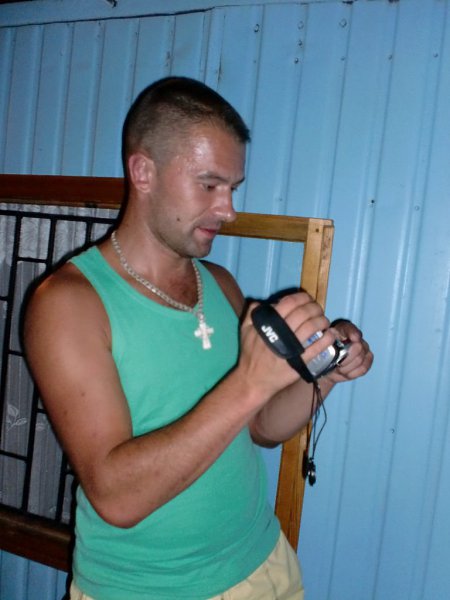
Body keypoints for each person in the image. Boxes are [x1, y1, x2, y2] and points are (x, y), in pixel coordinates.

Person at [24, 77, 373, 600]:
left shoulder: (220, 285)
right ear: (143, 172)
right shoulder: (68, 304)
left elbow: (260, 427)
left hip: (263, 563)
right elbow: (117, 499)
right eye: (209, 185)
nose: (228, 210)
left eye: (233, 188)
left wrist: (324, 372)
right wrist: (249, 383)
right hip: (149, 590)